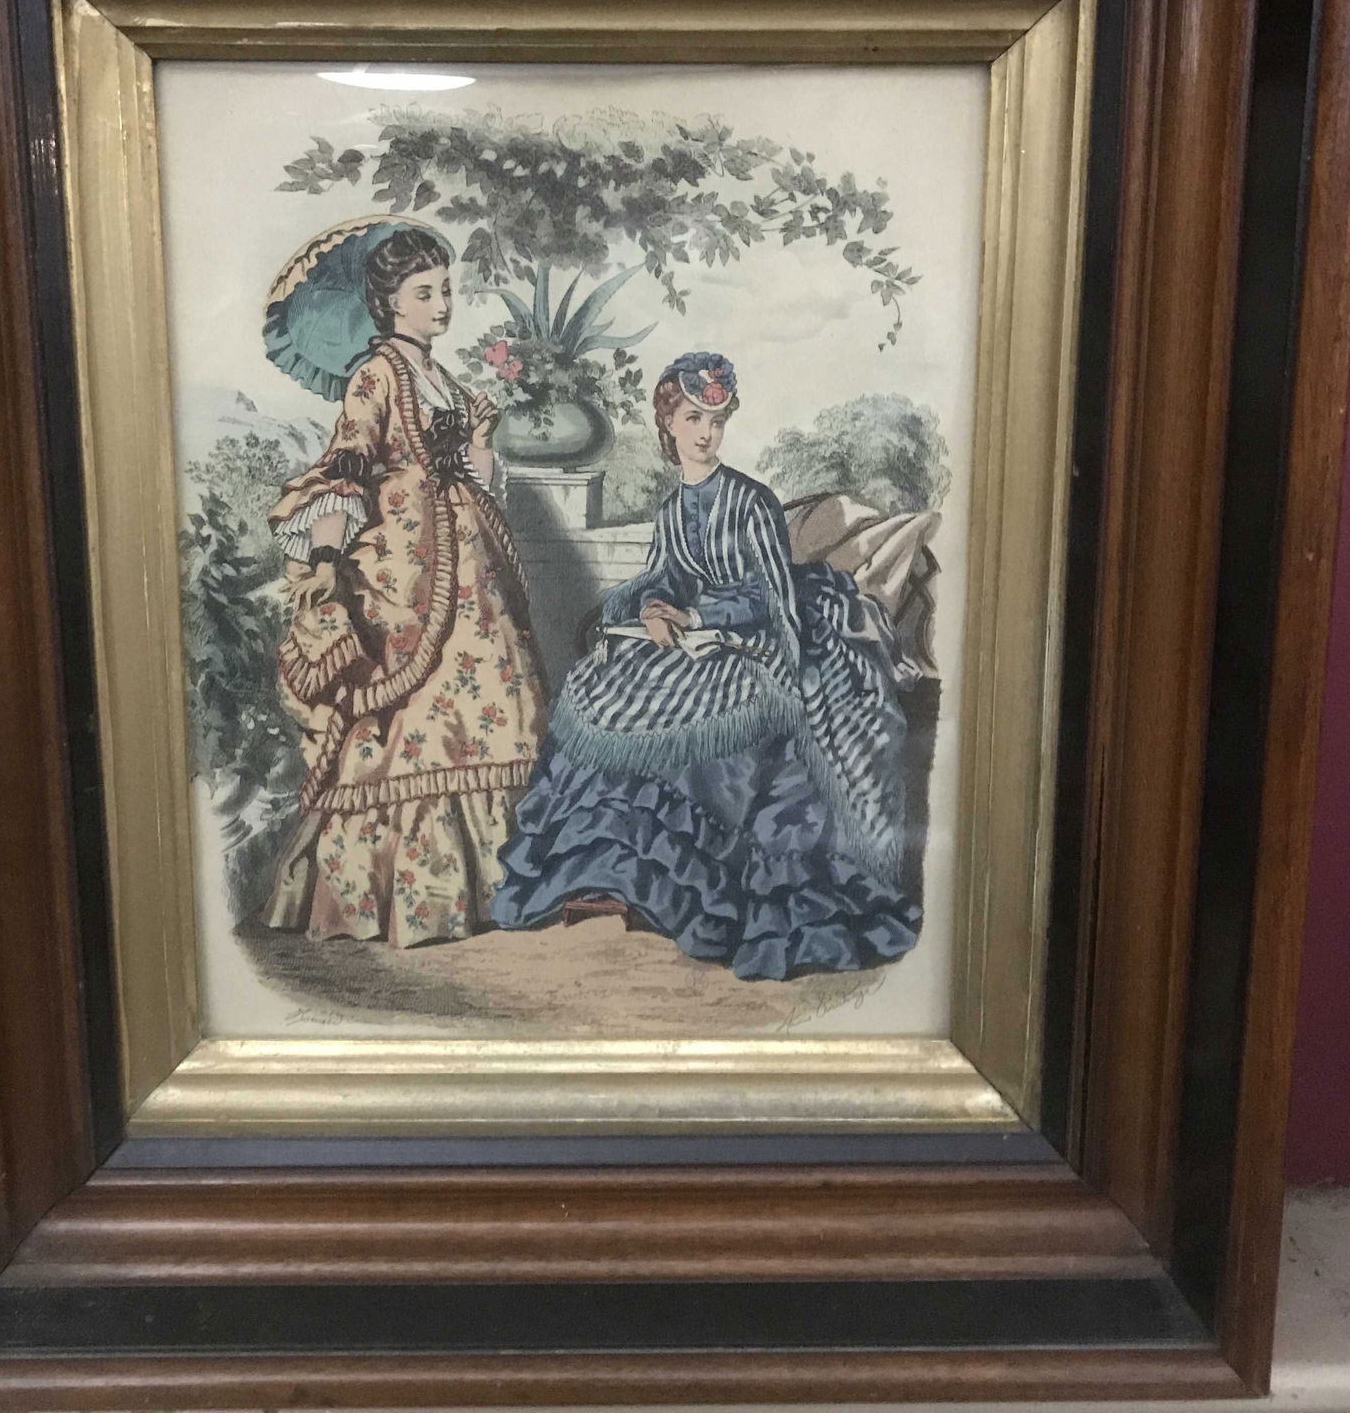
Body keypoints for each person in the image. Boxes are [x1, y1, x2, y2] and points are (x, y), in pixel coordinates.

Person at [489, 351, 921, 981]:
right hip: (694, 639)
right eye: (693, 418)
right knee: (597, 688)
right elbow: (663, 576)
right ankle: (611, 875)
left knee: (720, 710)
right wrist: (653, 606)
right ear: (668, 423)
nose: (705, 433)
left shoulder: (752, 501)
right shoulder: (672, 507)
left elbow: (770, 595)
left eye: (716, 421)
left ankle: (704, 897)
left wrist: (698, 615)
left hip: (754, 641)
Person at [259, 218, 545, 946]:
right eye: (425, 293)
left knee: (499, 698)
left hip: (469, 558)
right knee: (402, 726)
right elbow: (346, 467)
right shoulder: (376, 376)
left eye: (446, 290)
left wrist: (481, 444)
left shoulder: (447, 381)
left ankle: (495, 890)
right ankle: (398, 898)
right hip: (401, 569)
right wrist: (329, 558)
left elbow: (477, 476)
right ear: (389, 302)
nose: (442, 305)